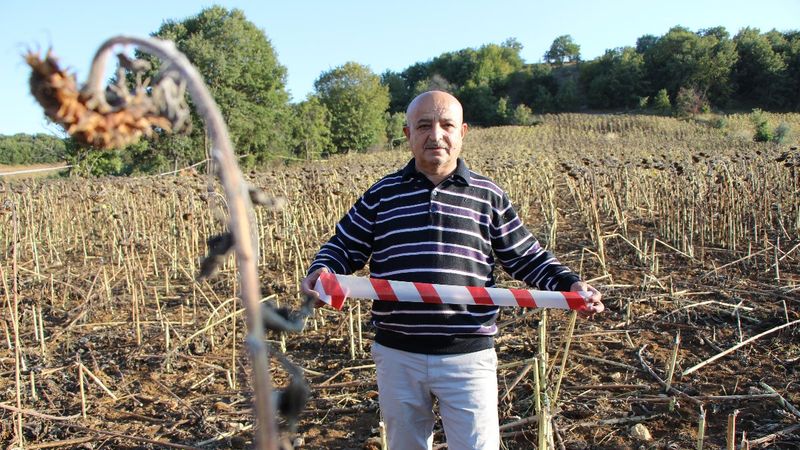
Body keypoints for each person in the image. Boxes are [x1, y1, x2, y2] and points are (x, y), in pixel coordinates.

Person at [301, 90, 604, 450]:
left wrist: (571, 286)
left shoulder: (487, 195)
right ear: (407, 134)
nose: (436, 135)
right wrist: (322, 271)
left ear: (462, 131)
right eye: (424, 125)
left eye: (446, 125)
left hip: (468, 355)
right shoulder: (381, 195)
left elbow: (527, 256)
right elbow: (344, 246)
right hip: (399, 355)